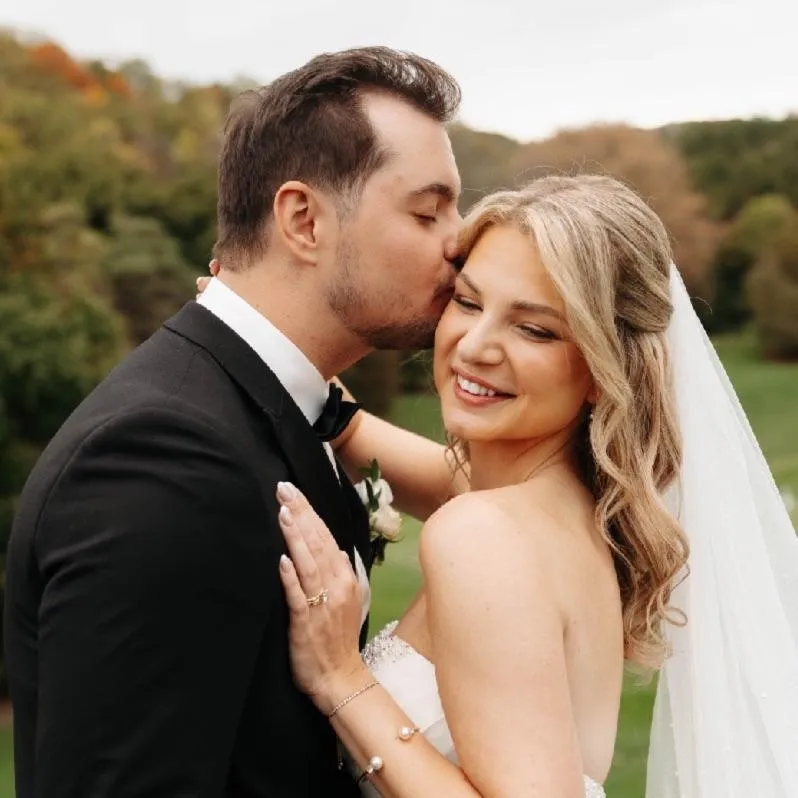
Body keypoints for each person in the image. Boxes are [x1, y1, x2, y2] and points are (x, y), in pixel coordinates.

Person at [3, 47, 463, 797]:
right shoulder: (161, 458)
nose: (458, 241)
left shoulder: (276, 408)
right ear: (304, 220)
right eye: (427, 210)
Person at [265, 175, 798, 797]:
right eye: (467, 302)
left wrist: (340, 679)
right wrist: (271, 346)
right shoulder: (570, 510)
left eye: (535, 330)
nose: (476, 346)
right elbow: (398, 454)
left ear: (604, 369)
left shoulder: (485, 534)